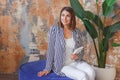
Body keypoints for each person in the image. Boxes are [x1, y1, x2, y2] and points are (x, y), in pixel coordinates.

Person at [37, 6, 95, 80]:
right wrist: (47, 68)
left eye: (68, 16)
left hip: (76, 62)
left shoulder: (77, 32)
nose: (64, 18)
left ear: (72, 18)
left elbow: (81, 50)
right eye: (63, 15)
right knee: (83, 76)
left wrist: (77, 56)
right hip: (63, 66)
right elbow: (51, 50)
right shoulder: (55, 29)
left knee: (92, 72)